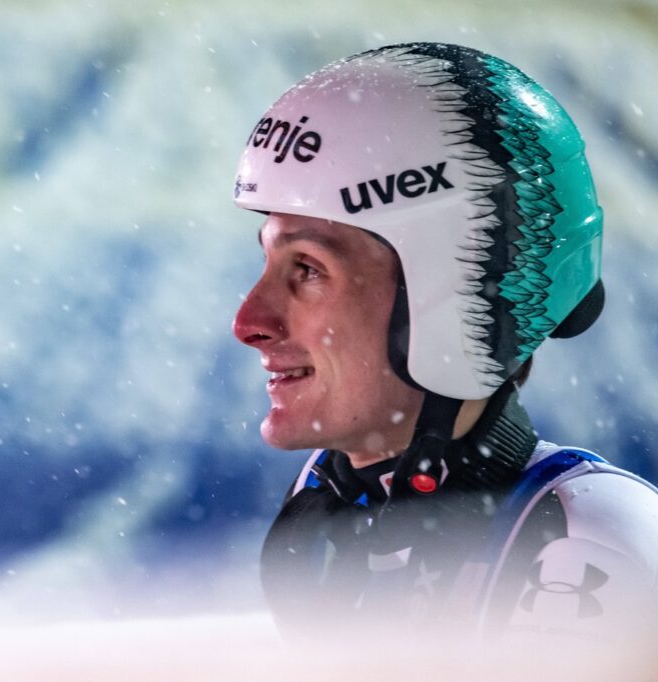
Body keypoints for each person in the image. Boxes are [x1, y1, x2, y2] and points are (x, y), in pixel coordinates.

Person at [231, 42, 658, 641]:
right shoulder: (323, 506)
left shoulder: (587, 540)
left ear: (451, 291)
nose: (249, 321)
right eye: (269, 262)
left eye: (307, 268)